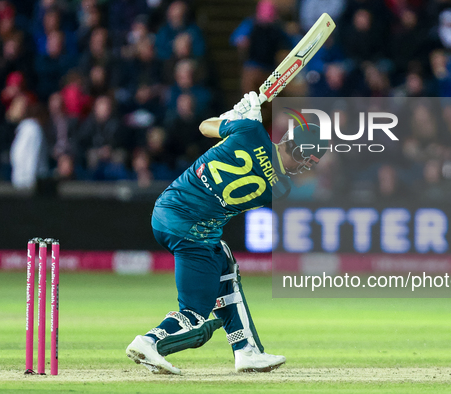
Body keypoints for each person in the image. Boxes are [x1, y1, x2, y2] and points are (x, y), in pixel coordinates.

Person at [126, 91, 327, 374]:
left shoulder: (249, 130)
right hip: (191, 230)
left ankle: (246, 350)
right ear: (295, 149)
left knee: (225, 263)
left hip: (166, 211)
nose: (305, 166)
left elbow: (205, 127)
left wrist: (234, 117)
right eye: (307, 159)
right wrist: (244, 122)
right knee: (195, 313)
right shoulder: (280, 190)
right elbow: (265, 163)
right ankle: (150, 341)